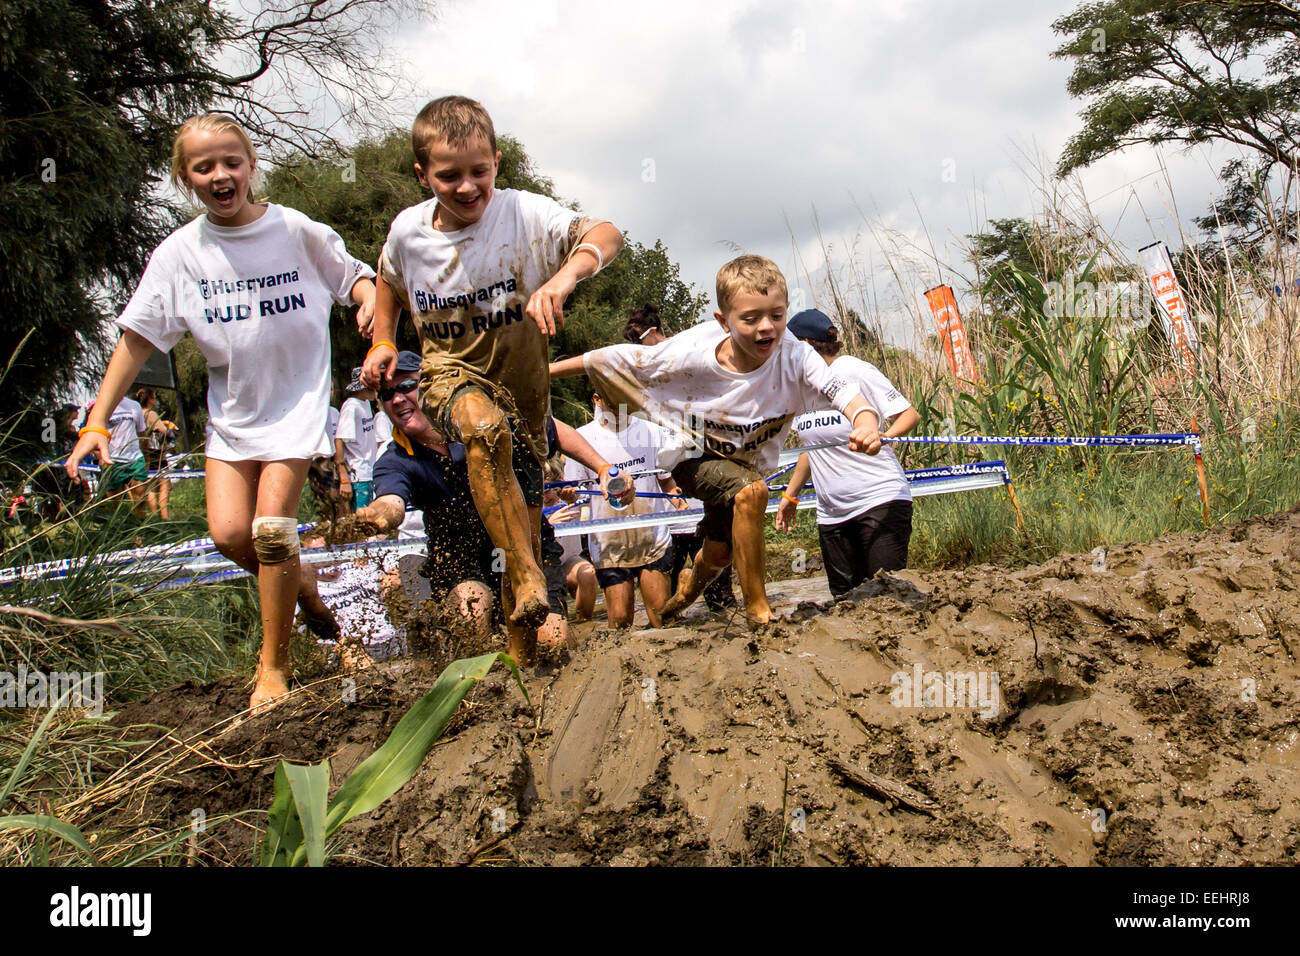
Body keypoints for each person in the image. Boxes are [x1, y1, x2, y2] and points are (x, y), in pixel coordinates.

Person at [66, 112, 376, 713]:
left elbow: (356, 277)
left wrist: (367, 307)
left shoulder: (294, 230)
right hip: (233, 416)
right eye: (203, 166)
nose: (220, 174)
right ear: (186, 178)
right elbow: (137, 339)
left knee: (270, 531)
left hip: (297, 405)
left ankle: (274, 668)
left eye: (231, 161)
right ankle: (305, 586)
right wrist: (97, 421)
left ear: (251, 166)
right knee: (230, 534)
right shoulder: (180, 254)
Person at [362, 94, 624, 665]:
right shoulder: (409, 232)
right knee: (482, 428)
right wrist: (385, 338)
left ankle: (518, 664)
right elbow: (388, 278)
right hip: (449, 375)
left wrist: (563, 279)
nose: (466, 187)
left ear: (496, 163)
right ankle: (526, 578)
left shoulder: (522, 214)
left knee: (523, 547)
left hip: (526, 400)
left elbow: (607, 233)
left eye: (478, 172)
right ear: (422, 174)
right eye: (448, 176)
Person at [551, 254, 883, 627]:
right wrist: (544, 372)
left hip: (744, 463)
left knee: (721, 550)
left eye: (777, 315)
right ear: (723, 322)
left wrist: (865, 419)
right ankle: (757, 609)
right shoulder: (690, 353)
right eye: (751, 318)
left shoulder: (796, 355)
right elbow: (616, 359)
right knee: (753, 492)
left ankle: (688, 591)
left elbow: (840, 389)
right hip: (691, 454)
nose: (766, 328)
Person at [775, 309, 920, 597]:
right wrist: (790, 496)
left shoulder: (855, 371)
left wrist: (883, 436)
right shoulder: (801, 388)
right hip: (831, 515)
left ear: (805, 345)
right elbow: (814, 449)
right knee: (843, 605)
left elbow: (909, 415)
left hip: (879, 500)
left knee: (886, 599)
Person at [624, 304, 738, 611]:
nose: (640, 351)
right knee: (672, 594)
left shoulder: (690, 355)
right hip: (671, 518)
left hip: (707, 496)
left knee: (719, 587)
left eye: (640, 341)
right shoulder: (648, 382)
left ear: (653, 332)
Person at [562, 389, 679, 628]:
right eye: (611, 400)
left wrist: (684, 506)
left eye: (623, 399)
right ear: (596, 399)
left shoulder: (651, 431)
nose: (618, 406)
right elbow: (576, 494)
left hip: (652, 538)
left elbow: (666, 481)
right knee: (620, 621)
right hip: (609, 545)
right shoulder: (580, 440)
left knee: (662, 618)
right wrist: (570, 496)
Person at [335, 368, 379, 510]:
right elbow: (339, 440)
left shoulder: (365, 403)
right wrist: (344, 479)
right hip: (358, 475)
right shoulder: (351, 407)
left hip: (371, 470)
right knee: (362, 522)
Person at [99, 394, 151, 514]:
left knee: (140, 500)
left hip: (135, 459)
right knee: (116, 509)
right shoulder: (101, 406)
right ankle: (123, 530)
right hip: (112, 461)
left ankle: (140, 529)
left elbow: (142, 434)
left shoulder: (134, 406)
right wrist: (101, 457)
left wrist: (146, 459)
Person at [135, 387, 178, 519]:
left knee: (151, 487)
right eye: (154, 397)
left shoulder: (137, 413)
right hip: (157, 453)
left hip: (144, 452)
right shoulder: (151, 414)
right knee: (166, 485)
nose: (155, 400)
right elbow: (163, 430)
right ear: (149, 399)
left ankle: (154, 516)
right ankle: (165, 517)